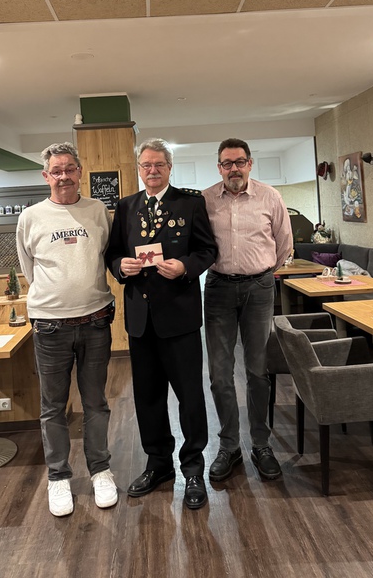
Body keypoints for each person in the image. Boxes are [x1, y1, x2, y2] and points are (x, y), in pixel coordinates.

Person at [106, 138, 217, 510]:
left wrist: (185, 266)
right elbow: (113, 254)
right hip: (141, 320)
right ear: (139, 168)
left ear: (169, 167)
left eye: (159, 164)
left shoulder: (190, 203)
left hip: (180, 317)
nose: (152, 170)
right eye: (146, 165)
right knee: (148, 397)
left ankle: (194, 468)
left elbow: (207, 250)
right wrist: (120, 267)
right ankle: (158, 464)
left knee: (190, 396)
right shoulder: (126, 207)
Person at [16, 141, 117, 516]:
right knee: (53, 408)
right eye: (56, 171)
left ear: (80, 171)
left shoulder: (97, 211)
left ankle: (100, 470)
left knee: (96, 403)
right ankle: (58, 477)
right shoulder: (31, 217)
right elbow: (29, 268)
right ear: (46, 176)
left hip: (95, 321)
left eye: (69, 169)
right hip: (50, 327)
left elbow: (105, 256)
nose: (63, 176)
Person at [202, 138, 293, 483]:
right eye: (227, 163)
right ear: (219, 168)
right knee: (220, 373)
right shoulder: (205, 200)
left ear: (250, 164)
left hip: (259, 288)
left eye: (240, 162)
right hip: (218, 289)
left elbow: (284, 245)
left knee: (257, 370)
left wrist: (262, 272)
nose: (234, 169)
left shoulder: (271, 197)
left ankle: (261, 444)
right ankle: (229, 446)